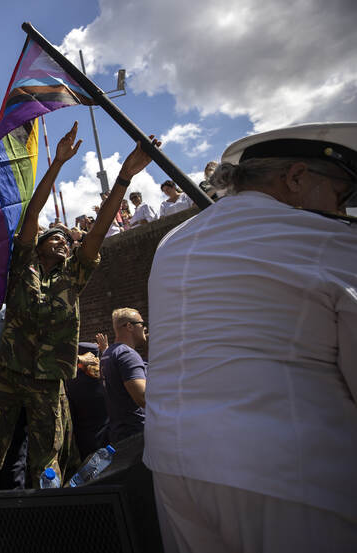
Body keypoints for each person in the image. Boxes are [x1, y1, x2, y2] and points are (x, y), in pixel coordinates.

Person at [145, 123, 357, 552]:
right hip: (288, 472)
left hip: (173, 464)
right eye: (339, 195)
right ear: (296, 177)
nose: (341, 210)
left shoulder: (172, 241)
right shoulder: (327, 238)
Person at [0, 121, 160, 486]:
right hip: (9, 375)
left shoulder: (73, 275)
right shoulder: (23, 265)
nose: (63, 242)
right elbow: (32, 214)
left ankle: (51, 510)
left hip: (49, 381)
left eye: (67, 240)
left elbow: (97, 231)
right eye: (55, 238)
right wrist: (58, 163)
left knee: (47, 460)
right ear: (38, 246)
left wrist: (124, 177)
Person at [100, 308, 147, 443]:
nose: (145, 328)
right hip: (135, 433)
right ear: (129, 326)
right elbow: (143, 397)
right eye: (142, 324)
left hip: (119, 431)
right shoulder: (127, 354)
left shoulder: (108, 353)